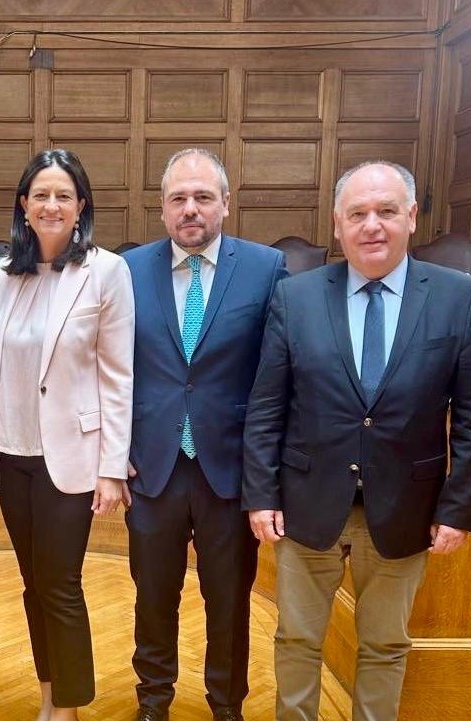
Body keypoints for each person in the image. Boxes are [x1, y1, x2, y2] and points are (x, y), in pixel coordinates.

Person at [242, 160, 471, 721]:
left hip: (407, 506)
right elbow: (267, 406)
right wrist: (260, 494)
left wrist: (458, 508)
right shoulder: (296, 296)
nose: (372, 225)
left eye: (386, 211)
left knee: (385, 645)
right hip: (307, 501)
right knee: (297, 640)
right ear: (338, 224)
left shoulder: (458, 297)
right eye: (357, 213)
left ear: (412, 216)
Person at [123, 148, 287, 721]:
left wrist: (267, 474)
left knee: (230, 601)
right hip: (152, 468)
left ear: (226, 203)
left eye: (202, 197)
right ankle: (153, 701)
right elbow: (111, 369)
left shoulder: (266, 268)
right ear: (162, 208)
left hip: (232, 471)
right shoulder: (127, 269)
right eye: (178, 199)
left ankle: (226, 705)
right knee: (152, 596)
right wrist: (116, 453)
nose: (190, 209)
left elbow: (277, 375)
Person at [0, 149, 134, 721]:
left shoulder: (107, 271)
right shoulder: (6, 273)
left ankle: (68, 707)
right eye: (40, 194)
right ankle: (47, 695)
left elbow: (118, 375)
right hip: (12, 453)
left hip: (71, 457)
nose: (51, 205)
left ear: (81, 205)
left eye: (64, 195)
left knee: (60, 584)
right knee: (32, 584)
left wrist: (112, 466)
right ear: (24, 205)